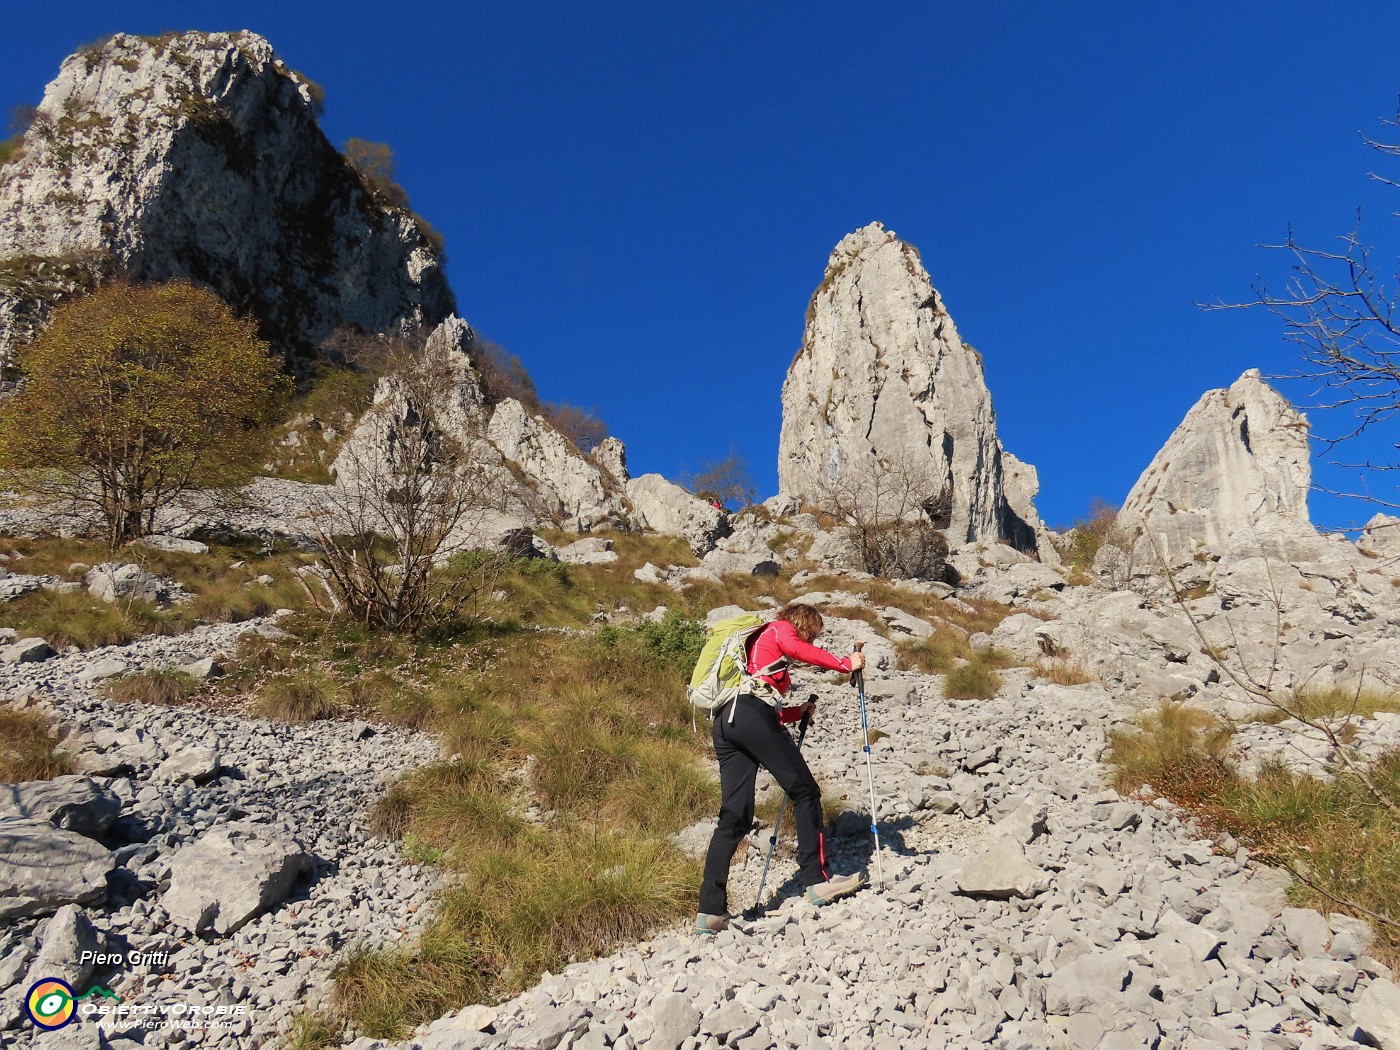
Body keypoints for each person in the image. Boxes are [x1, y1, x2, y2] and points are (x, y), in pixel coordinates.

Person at [695, 602, 868, 935]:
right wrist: (846, 664)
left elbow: (763, 712)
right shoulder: (779, 628)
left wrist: (795, 712)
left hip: (727, 722)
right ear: (803, 623)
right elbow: (794, 650)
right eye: (813, 635)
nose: (813, 642)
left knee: (735, 817)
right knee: (805, 791)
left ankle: (710, 912)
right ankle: (818, 881)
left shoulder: (755, 650)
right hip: (748, 714)